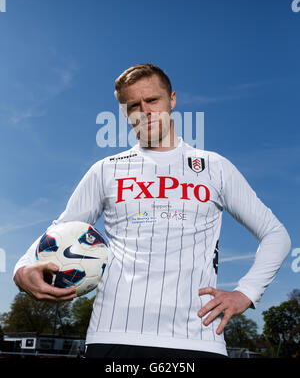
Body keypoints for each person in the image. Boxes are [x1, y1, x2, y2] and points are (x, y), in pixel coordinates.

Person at [13, 63, 291, 360]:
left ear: (172, 99)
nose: (144, 110)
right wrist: (22, 269)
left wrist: (245, 293)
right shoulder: (106, 170)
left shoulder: (215, 168)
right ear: (124, 112)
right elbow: (63, 228)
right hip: (112, 335)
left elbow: (275, 234)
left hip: (198, 339)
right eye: (133, 104)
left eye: (153, 100)